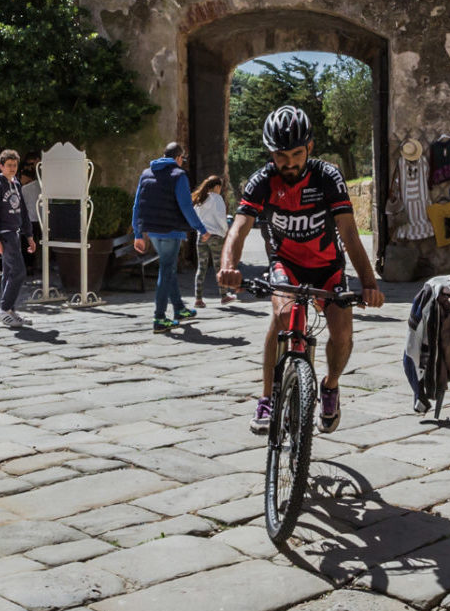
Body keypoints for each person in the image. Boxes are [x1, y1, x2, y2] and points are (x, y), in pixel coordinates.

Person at [219, 105, 385, 434]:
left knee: (342, 333)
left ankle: (330, 385)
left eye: (297, 153)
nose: (290, 162)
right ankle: (267, 397)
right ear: (271, 153)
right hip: (287, 265)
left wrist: (369, 284)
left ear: (309, 147)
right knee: (281, 318)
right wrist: (228, 267)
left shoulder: (328, 176)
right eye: (281, 155)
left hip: (328, 268)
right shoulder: (262, 180)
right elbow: (238, 227)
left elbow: (350, 233)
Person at [131, 142, 209, 333]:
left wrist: (138, 233)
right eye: (183, 159)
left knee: (169, 268)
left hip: (153, 231)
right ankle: (159, 318)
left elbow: (137, 206)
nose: (183, 162)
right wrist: (201, 228)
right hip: (170, 230)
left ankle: (179, 309)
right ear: (178, 158)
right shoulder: (179, 175)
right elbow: (186, 206)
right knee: (166, 270)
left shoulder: (146, 173)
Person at [0, 149, 36, 327]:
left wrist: (29, 235)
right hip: (4, 235)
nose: (12, 168)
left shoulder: (16, 184)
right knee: (19, 272)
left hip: (15, 234)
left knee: (9, 274)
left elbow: (23, 211)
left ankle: (10, 311)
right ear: (1, 166)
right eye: (9, 165)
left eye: (15, 165)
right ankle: (3, 309)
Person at [191, 173, 233, 307]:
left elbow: (195, 219)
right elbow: (221, 218)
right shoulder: (217, 199)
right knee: (219, 267)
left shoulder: (200, 199)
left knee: (201, 268)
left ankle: (198, 299)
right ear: (216, 187)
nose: (220, 190)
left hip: (202, 236)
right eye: (220, 187)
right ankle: (224, 296)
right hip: (215, 236)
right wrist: (226, 232)